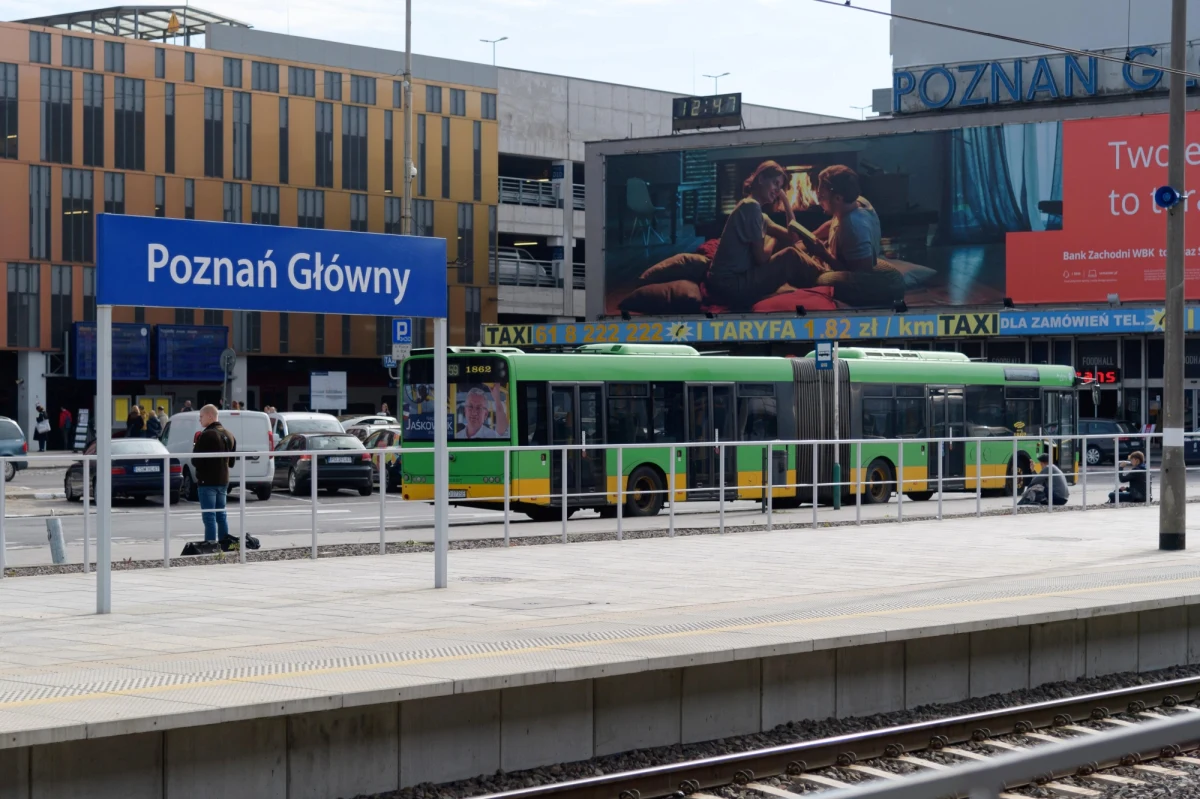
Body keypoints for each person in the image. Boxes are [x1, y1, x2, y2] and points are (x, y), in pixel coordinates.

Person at [704, 160, 824, 311]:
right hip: (729, 285)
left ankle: (818, 276)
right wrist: (773, 238)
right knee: (789, 255)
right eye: (774, 183)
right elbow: (761, 259)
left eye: (780, 187)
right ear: (761, 179)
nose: (776, 190)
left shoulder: (758, 213)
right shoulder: (750, 207)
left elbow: (793, 236)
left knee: (786, 246)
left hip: (731, 281)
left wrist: (786, 200)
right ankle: (824, 280)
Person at [809, 165, 906, 308]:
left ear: (837, 198)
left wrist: (823, 254)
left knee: (818, 280)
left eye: (822, 196)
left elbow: (858, 276)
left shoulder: (853, 226)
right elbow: (833, 223)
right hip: (864, 266)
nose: (818, 200)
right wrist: (813, 235)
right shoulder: (854, 202)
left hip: (866, 279)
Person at [193, 404, 236, 544]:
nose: (200, 420)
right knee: (221, 515)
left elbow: (195, 460)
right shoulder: (229, 434)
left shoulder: (207, 435)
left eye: (201, 417)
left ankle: (210, 545)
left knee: (209, 516)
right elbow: (231, 462)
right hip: (223, 480)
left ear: (210, 416)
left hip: (207, 481)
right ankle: (224, 544)